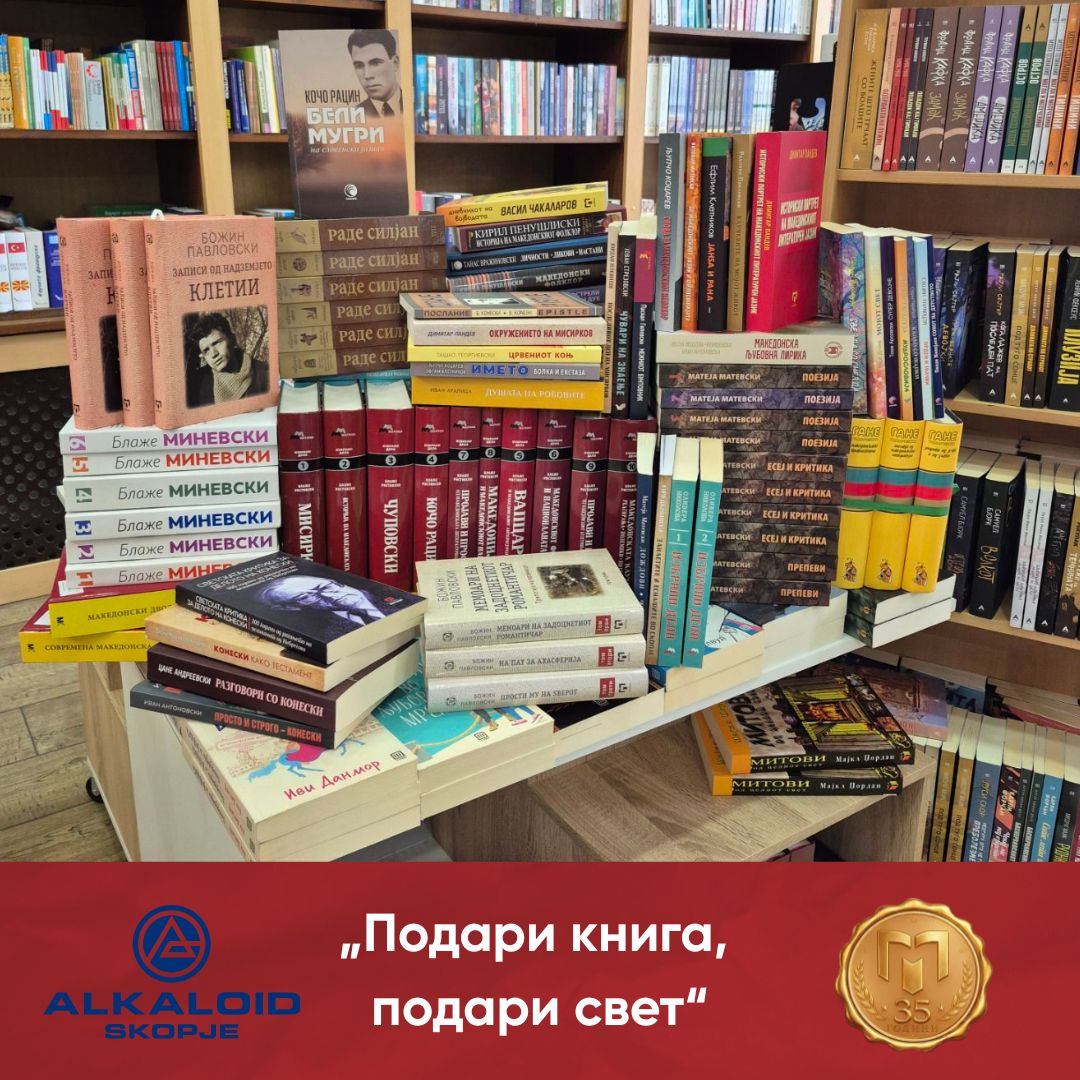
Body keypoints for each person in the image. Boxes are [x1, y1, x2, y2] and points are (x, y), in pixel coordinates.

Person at [256, 574, 389, 634]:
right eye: (306, 596)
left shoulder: (388, 591)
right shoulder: (327, 633)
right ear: (292, 607)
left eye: (326, 586)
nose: (328, 596)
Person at [185, 312, 268, 407]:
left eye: (216, 343)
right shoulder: (198, 385)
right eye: (206, 350)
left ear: (232, 339)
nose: (214, 354)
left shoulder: (264, 374)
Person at [347, 28, 403, 119]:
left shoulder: (416, 105)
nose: (367, 75)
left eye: (375, 63)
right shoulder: (353, 116)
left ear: (395, 63)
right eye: (359, 66)